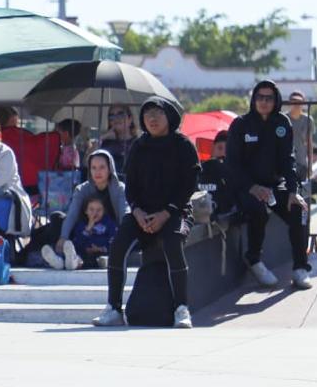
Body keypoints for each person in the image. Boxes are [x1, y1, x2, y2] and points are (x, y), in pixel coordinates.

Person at [93, 97, 200, 329]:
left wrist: (166, 213)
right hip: (143, 213)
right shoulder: (139, 146)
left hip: (177, 212)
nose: (152, 118)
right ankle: (113, 308)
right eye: (147, 114)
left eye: (157, 114)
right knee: (118, 245)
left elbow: (189, 186)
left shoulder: (183, 145)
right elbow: (130, 186)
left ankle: (182, 308)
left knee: (173, 242)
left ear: (169, 117)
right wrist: (138, 212)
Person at [226, 80, 312, 290]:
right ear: (254, 100)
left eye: (269, 98)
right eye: (260, 97)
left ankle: (300, 269)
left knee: (298, 209)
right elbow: (232, 165)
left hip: (275, 185)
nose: (264, 102)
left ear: (276, 101)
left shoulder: (282, 123)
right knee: (258, 211)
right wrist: (252, 187)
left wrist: (293, 190)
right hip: (246, 186)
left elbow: (287, 159)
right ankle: (254, 259)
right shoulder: (240, 124)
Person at [41, 149, 128, 270]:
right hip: (84, 233)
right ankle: (60, 259)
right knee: (57, 219)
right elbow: (72, 214)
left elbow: (125, 213)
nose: (98, 172)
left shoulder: (119, 189)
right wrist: (63, 237)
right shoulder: (82, 189)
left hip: (109, 235)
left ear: (110, 169)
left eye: (102, 167)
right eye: (94, 167)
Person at [196, 131, 238, 218]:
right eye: (219, 148)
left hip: (221, 222)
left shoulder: (235, 174)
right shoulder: (198, 170)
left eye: (227, 151)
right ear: (212, 148)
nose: (222, 153)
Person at [67, 197, 117, 269]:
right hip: (85, 253)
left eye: (99, 210)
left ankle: (104, 263)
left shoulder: (109, 223)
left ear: (104, 211)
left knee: (105, 258)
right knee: (79, 255)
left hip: (102, 252)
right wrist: (88, 228)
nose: (95, 213)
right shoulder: (81, 224)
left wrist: (102, 248)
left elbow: (113, 240)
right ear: (86, 211)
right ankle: (72, 262)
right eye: (91, 209)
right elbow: (78, 241)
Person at [100, 104, 137, 176]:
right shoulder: (106, 143)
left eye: (121, 115)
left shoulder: (138, 142)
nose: (116, 119)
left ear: (130, 119)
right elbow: (86, 162)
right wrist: (103, 137)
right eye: (111, 116)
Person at [287, 91, 315, 180]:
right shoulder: (283, 118)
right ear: (289, 103)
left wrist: (310, 165)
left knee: (301, 191)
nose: (296, 104)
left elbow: (310, 144)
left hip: (301, 163)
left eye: (299, 101)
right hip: (285, 163)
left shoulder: (308, 120)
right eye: (293, 101)